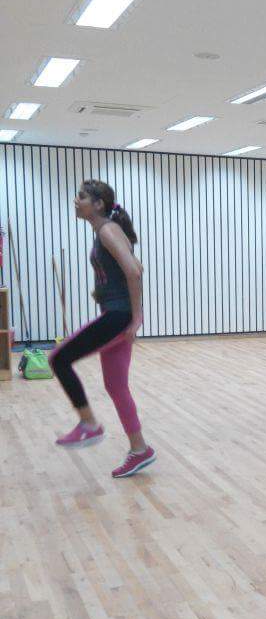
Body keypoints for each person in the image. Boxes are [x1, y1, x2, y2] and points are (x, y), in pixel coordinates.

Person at [49, 180, 155, 478]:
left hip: (118, 317)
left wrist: (135, 317)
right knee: (116, 386)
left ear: (98, 204)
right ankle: (140, 450)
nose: (76, 200)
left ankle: (89, 424)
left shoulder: (107, 230)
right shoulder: (108, 230)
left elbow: (133, 271)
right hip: (117, 313)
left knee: (58, 358)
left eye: (81, 196)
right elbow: (135, 266)